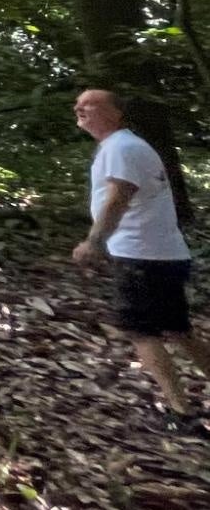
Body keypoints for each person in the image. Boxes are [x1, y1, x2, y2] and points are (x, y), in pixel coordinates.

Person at [73, 87, 210, 432]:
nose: (81, 108)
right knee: (178, 331)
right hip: (161, 253)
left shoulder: (122, 146)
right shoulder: (123, 146)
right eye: (78, 104)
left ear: (116, 113)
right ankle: (181, 407)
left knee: (141, 331)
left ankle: (180, 412)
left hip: (142, 256)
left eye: (92, 104)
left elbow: (120, 197)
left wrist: (94, 241)